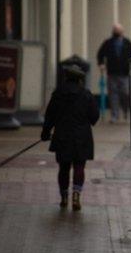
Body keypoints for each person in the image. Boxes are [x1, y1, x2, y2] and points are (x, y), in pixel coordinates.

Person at [41, 63, 100, 211]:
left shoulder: (58, 94)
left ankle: (64, 197)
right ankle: (76, 195)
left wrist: (46, 132)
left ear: (66, 77)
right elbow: (94, 117)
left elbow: (50, 115)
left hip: (62, 135)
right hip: (82, 137)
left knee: (64, 167)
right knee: (79, 166)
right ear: (80, 79)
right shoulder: (86, 94)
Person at [96, 23, 131, 122]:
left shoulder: (128, 43)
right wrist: (101, 64)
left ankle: (126, 110)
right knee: (113, 94)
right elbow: (100, 54)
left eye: (118, 30)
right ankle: (114, 115)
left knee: (125, 93)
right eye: (115, 30)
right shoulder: (108, 43)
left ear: (122, 32)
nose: (116, 32)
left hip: (125, 73)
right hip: (112, 73)